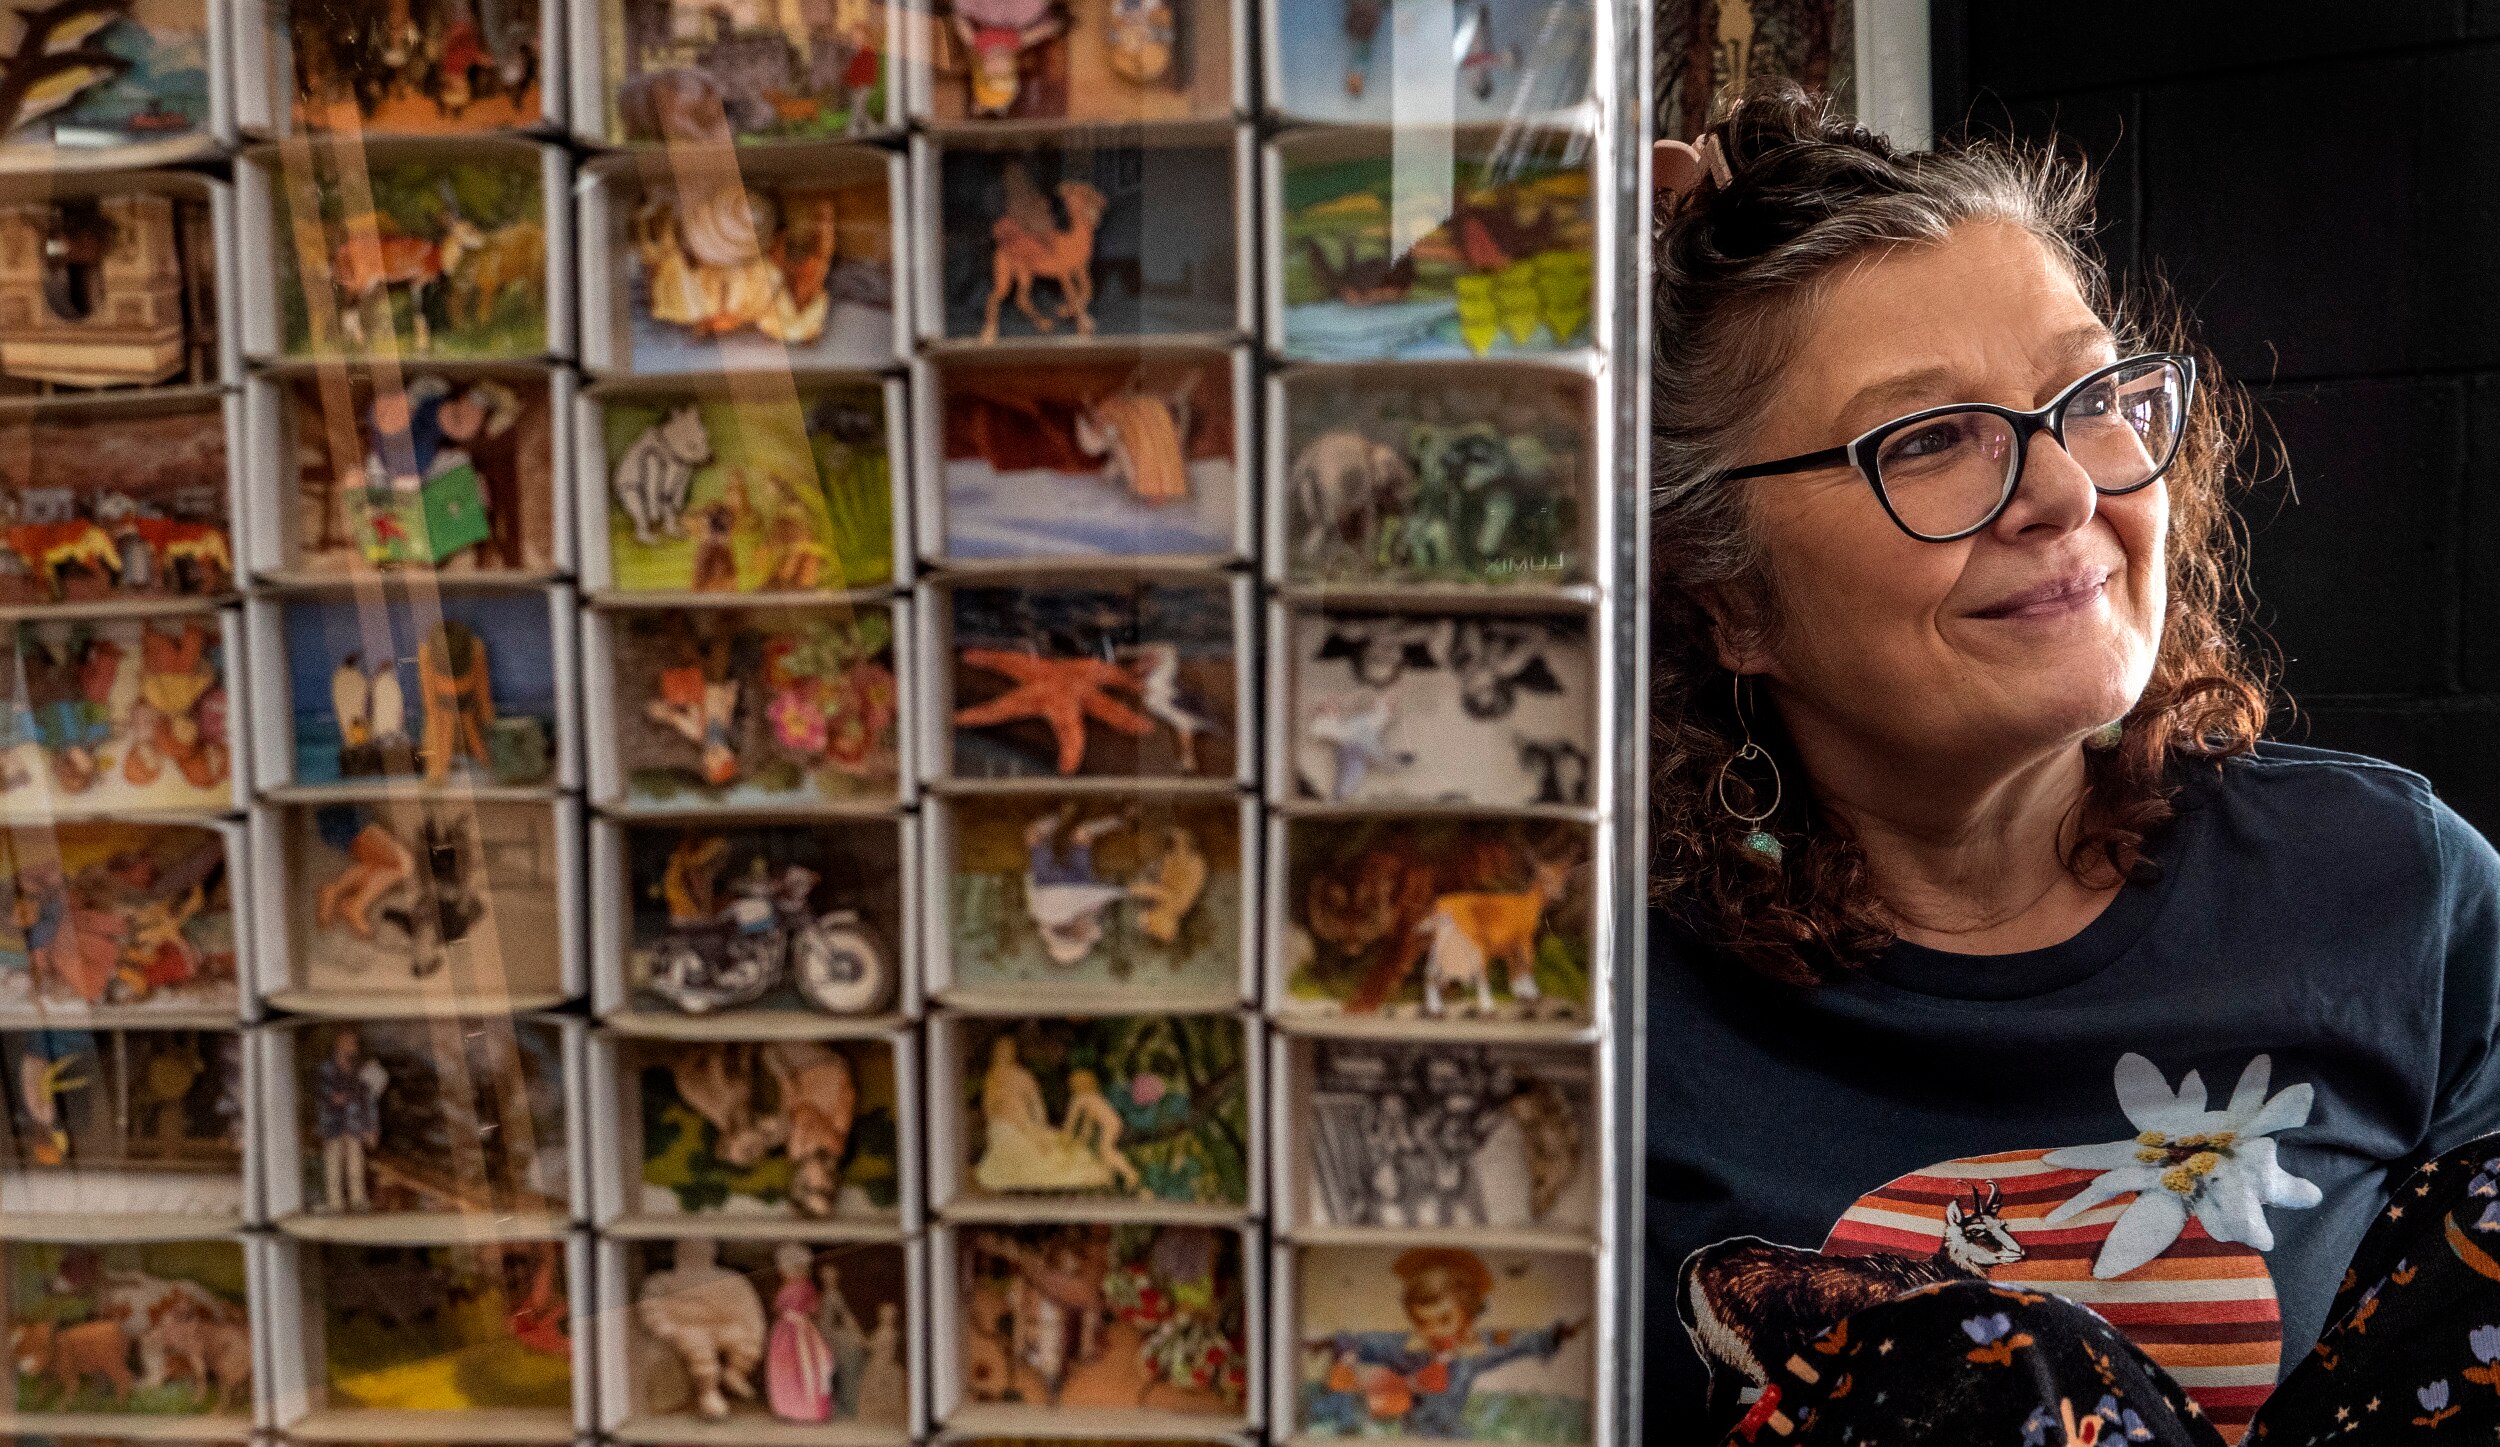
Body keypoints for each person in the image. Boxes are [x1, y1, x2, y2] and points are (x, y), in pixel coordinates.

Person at [1643, 81, 2500, 1444]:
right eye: (1928, 439)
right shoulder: (1607, 1003)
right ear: (1725, 598)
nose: (2066, 492)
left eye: (2088, 396)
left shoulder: (2400, 887)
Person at [1306, 1246, 1578, 1438]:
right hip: (1412, 1433)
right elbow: (1366, 1343)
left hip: (1453, 1433)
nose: (1434, 1330)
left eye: (1444, 1319)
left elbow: (1512, 1343)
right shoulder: (1406, 1348)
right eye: (1423, 1322)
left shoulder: (1475, 1349)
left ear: (1467, 1316)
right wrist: (1336, 1344)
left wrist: (1550, 1337)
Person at [314, 1027, 383, 1212]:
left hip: (354, 1123)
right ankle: (335, 1202)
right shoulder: (326, 1068)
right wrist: (332, 1098)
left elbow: (368, 1099)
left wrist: (372, 1126)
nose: (353, 1046)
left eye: (354, 1042)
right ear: (340, 1043)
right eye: (349, 1042)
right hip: (333, 1123)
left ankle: (358, 1200)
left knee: (355, 1164)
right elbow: (321, 1093)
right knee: (333, 1164)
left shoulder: (360, 1069)